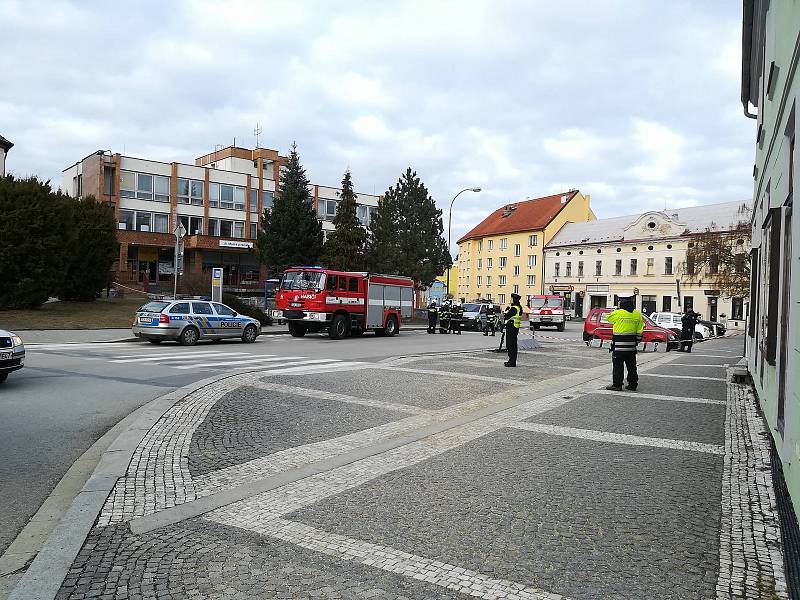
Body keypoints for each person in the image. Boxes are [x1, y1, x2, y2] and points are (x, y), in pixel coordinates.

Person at [605, 293, 644, 391]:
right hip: (631, 347)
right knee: (631, 366)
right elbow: (640, 330)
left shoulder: (618, 313)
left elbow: (608, 318)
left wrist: (617, 309)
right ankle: (633, 384)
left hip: (619, 346)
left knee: (618, 366)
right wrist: (636, 342)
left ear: (620, 302)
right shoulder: (637, 314)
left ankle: (617, 385)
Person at [503, 293, 523, 367]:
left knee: (510, 345)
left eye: (511, 299)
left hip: (511, 328)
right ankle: (512, 361)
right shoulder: (518, 307)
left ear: (514, 300)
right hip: (514, 328)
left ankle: (511, 362)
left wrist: (506, 311)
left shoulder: (514, 308)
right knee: (513, 345)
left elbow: (507, 316)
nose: (510, 300)